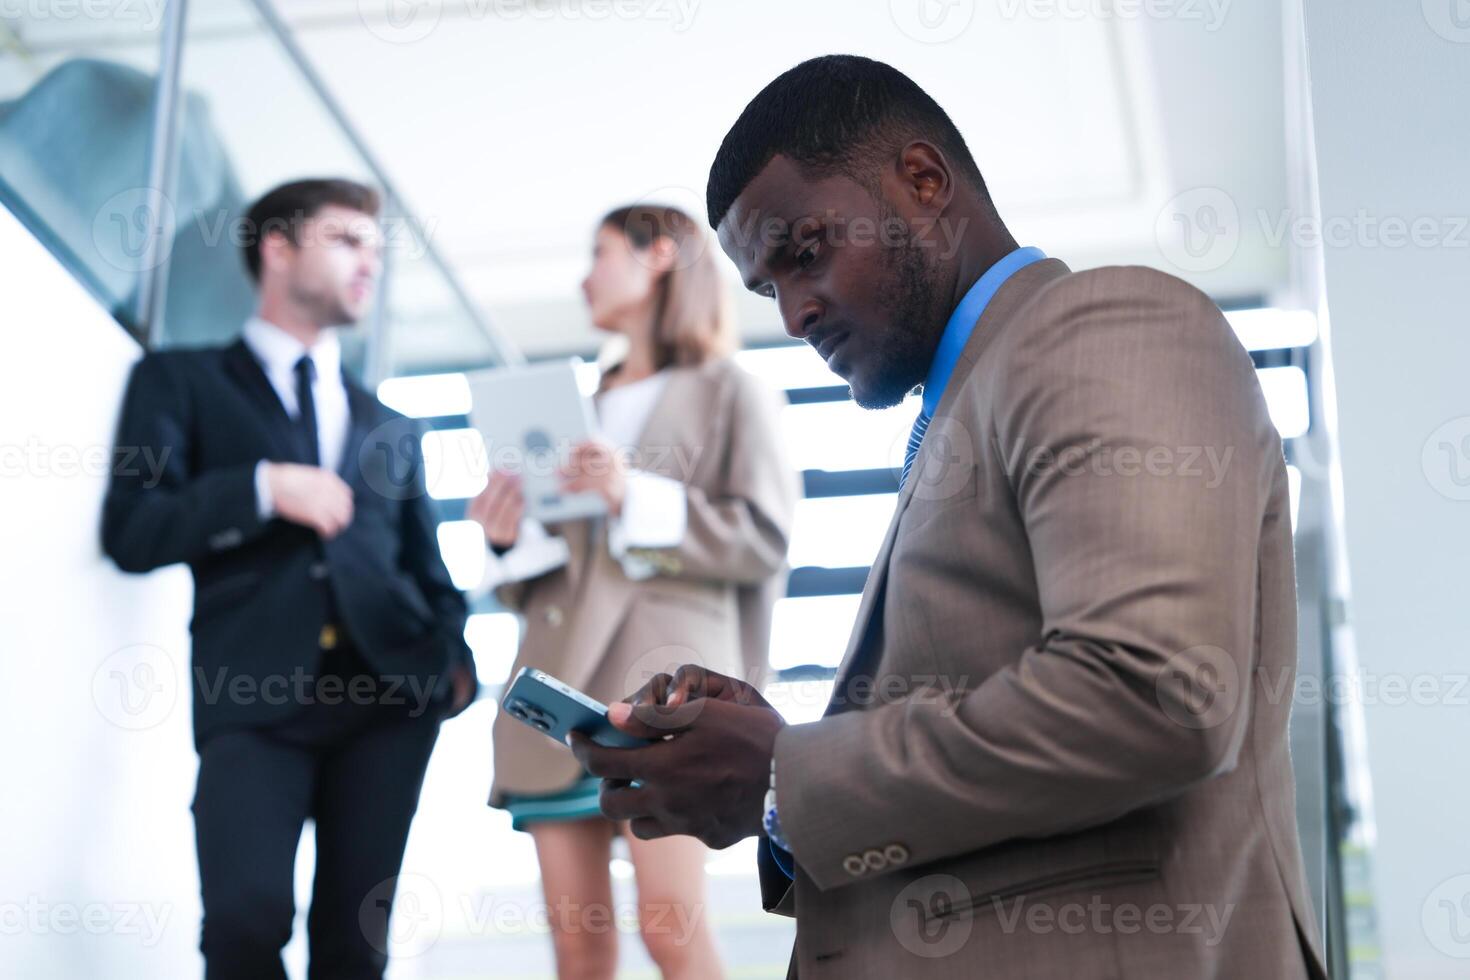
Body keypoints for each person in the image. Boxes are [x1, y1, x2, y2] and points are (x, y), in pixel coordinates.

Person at [568, 55, 1332, 979]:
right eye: (769, 289)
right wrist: (777, 768)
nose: (798, 312)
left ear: (923, 182)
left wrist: (785, 774)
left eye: (805, 252)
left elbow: (1154, 697)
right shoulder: (963, 408)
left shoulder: (1104, 325)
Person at [102, 178, 477, 980]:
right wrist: (263, 487)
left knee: (354, 943)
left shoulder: (388, 424)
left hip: (388, 700)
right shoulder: (180, 381)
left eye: (376, 251)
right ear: (277, 248)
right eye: (346, 241)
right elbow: (132, 531)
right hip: (252, 695)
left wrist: (453, 663)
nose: (368, 266)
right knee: (244, 919)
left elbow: (428, 569)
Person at [467, 204, 798, 980]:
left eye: (600, 253)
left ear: (657, 258)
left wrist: (633, 496)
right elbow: (552, 583)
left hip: (662, 694)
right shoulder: (573, 406)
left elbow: (762, 539)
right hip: (557, 694)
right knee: (579, 956)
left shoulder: (731, 393)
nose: (585, 276)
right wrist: (508, 539)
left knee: (670, 933)